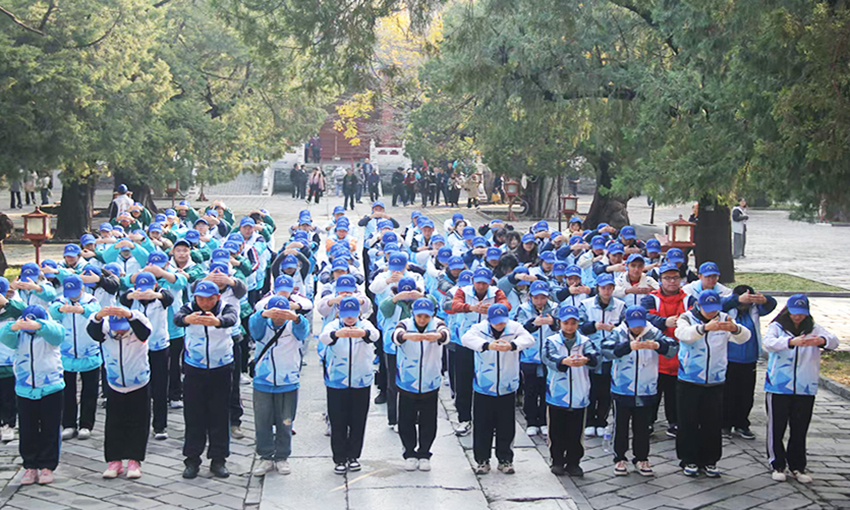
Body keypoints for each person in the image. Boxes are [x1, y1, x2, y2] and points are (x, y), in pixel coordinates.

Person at [674, 289, 751, 477]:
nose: (711, 313)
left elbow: (744, 337)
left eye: (714, 308)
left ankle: (710, 460)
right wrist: (705, 328)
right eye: (707, 309)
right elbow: (682, 334)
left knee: (712, 423)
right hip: (689, 379)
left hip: (715, 380)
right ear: (699, 305)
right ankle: (688, 459)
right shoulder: (687, 317)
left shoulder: (724, 319)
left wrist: (734, 329)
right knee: (688, 422)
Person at [763, 294, 838, 483]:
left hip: (805, 386)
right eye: (795, 313)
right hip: (779, 386)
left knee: (800, 428)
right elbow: (768, 343)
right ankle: (777, 463)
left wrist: (821, 341)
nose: (798, 317)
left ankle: (797, 466)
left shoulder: (813, 328)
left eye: (801, 314)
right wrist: (790, 342)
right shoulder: (777, 327)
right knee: (776, 427)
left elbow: (834, 341)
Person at [173, 281, 240, 479]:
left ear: (217, 297)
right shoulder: (189, 308)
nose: (205, 303)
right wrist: (187, 319)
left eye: (209, 299)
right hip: (194, 368)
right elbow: (177, 318)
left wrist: (216, 321)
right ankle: (192, 459)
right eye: (200, 299)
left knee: (220, 415)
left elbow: (232, 319)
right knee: (194, 416)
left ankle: (218, 459)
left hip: (221, 368)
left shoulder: (226, 307)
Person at [603, 306, 677, 477]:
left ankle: (642, 458)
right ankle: (619, 457)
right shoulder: (618, 333)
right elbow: (606, 350)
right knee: (621, 425)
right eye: (634, 324)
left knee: (642, 426)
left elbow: (673, 347)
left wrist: (658, 345)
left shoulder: (654, 332)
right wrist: (628, 347)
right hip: (622, 388)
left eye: (640, 324)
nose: (637, 328)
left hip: (646, 388)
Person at [461, 303, 534, 474]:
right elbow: (466, 339)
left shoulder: (515, 327)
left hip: (507, 385)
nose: (500, 325)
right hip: (484, 386)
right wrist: (487, 345)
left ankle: (505, 459)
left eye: (502, 321)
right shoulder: (479, 328)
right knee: (482, 425)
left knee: (506, 426)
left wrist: (512, 345)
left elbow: (529, 339)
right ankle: (482, 460)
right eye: (496, 322)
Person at [0, 304, 65, 485]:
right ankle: (30, 466)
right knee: (27, 429)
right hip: (25, 389)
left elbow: (58, 334)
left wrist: (40, 326)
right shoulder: (19, 336)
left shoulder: (50, 333)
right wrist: (15, 326)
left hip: (51, 388)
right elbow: (4, 336)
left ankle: (47, 466)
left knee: (50, 428)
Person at [87, 304, 153, 479]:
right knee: (114, 423)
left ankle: (134, 460)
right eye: (117, 329)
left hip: (138, 383)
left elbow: (145, 332)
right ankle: (114, 461)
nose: (120, 332)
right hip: (115, 384)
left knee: (139, 423)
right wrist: (98, 316)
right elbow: (93, 332)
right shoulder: (106, 330)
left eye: (123, 328)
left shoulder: (138, 327)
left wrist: (130, 315)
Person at [319, 297, 379, 474]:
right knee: (338, 421)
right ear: (340, 313)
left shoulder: (365, 325)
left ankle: (354, 456)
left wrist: (363, 333)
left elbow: (375, 335)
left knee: (358, 421)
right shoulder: (333, 326)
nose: (350, 318)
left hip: (361, 381)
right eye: (346, 315)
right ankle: (339, 458)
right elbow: (324, 338)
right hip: (337, 382)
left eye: (353, 314)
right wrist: (337, 334)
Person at [249, 296, 309, 477]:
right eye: (275, 313)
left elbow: (303, 331)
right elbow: (254, 328)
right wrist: (263, 314)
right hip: (263, 381)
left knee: (286, 422)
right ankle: (266, 456)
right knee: (262, 422)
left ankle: (282, 456)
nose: (279, 317)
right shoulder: (263, 326)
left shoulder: (293, 326)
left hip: (288, 382)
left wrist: (296, 317)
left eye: (283, 313)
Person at [450, 267, 510, 437]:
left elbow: (507, 305)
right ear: (473, 281)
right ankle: (464, 418)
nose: (481, 286)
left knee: (487, 380)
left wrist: (493, 308)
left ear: (490, 282)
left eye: (484, 283)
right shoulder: (463, 291)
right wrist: (471, 307)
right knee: (463, 382)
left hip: (487, 344)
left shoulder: (496, 292)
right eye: (478, 283)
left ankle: (487, 421)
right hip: (466, 343)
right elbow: (455, 305)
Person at [391, 298, 450, 471]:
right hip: (407, 382)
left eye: (426, 316)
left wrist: (437, 336)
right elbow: (395, 336)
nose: (422, 320)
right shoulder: (405, 324)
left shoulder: (438, 324)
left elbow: (446, 335)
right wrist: (407, 336)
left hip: (430, 381)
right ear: (413, 314)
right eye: (419, 316)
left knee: (428, 421)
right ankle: (409, 452)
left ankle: (425, 453)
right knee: (406, 420)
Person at [542, 304, 599, 477]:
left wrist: (586, 359)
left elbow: (595, 357)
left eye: (573, 323)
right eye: (566, 323)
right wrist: (563, 361)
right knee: (556, 431)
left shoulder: (585, 341)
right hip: (557, 393)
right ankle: (557, 461)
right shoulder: (552, 341)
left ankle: (574, 462)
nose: (569, 326)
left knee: (576, 432)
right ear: (559, 323)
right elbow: (548, 357)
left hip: (579, 392)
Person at [642, 263, 693, 438]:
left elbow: (695, 317)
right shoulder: (651, 299)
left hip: (680, 355)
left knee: (675, 394)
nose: (672, 281)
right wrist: (664, 322)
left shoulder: (689, 299)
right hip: (656, 355)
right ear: (660, 280)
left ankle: (675, 422)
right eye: (667, 278)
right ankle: (648, 422)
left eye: (675, 278)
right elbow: (645, 318)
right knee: (652, 392)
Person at [49, 275, 102, 442]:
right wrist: (61, 309)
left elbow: (96, 313)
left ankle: (86, 424)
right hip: (66, 355)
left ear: (82, 288)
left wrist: (82, 310)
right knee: (67, 392)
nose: (72, 296)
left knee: (90, 392)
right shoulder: (60, 300)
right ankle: (68, 424)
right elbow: (52, 311)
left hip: (89, 354)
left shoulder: (91, 300)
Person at [721, 285, 777, 440]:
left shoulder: (754, 310)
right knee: (727, 394)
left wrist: (763, 299)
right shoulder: (727, 309)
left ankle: (742, 424)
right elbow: (721, 303)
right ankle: (724, 424)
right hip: (728, 358)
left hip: (749, 359)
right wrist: (737, 300)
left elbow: (771, 304)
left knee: (746, 394)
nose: (745, 305)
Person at [578, 273, 626, 437]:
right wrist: (594, 326)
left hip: (610, 354)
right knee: (590, 388)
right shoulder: (586, 304)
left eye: (609, 288)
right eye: (603, 288)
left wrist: (614, 329)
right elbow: (579, 327)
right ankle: (589, 421)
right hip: (591, 352)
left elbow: (625, 328)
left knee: (606, 390)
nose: (606, 291)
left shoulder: (620, 306)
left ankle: (602, 420)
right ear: (598, 288)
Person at [516, 280, 558, 438]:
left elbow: (564, 327)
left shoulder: (555, 308)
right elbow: (518, 329)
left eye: (543, 297)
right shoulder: (523, 309)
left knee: (546, 389)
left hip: (549, 356)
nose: (540, 301)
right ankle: (531, 421)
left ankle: (544, 421)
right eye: (536, 297)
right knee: (530, 390)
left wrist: (553, 323)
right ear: (530, 297)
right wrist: (533, 324)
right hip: (530, 356)